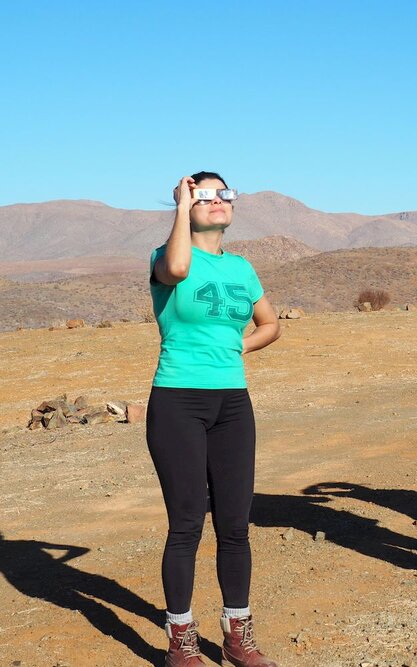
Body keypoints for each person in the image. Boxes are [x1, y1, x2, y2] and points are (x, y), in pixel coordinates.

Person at [148, 172, 281, 667]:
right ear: (185, 202)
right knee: (185, 524)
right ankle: (180, 638)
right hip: (178, 402)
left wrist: (231, 347)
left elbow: (270, 326)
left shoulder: (243, 267)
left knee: (234, 524)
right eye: (204, 195)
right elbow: (178, 267)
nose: (217, 201)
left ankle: (237, 634)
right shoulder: (166, 258)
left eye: (224, 193)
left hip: (232, 405)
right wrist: (180, 208)